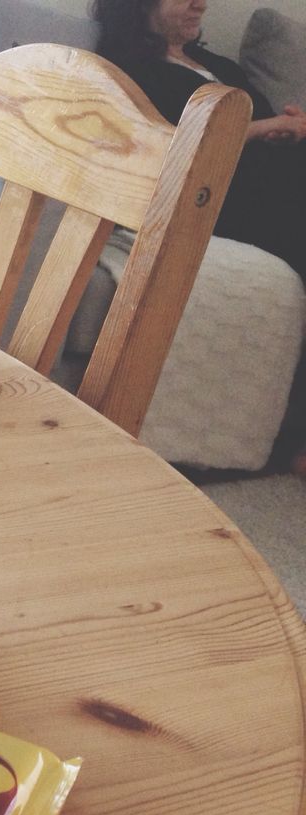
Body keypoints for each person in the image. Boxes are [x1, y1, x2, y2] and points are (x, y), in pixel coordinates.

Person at [92, 0, 306, 476]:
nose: (199, 4)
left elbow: (266, 125)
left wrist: (288, 128)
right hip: (218, 200)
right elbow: (164, 145)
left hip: (275, 186)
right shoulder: (128, 72)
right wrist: (263, 129)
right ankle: (296, 442)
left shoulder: (219, 66)